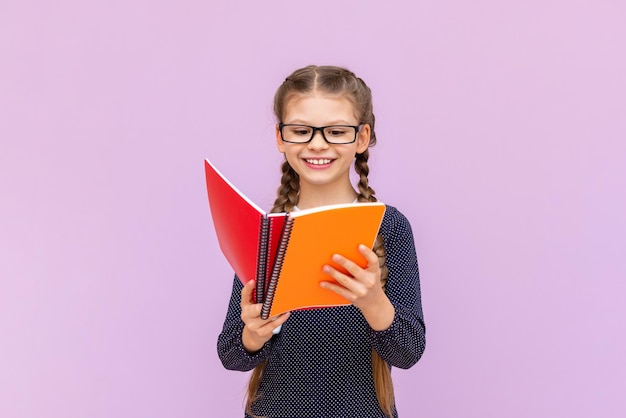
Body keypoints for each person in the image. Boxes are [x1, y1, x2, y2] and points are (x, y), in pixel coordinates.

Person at [217, 65, 426, 418]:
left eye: (336, 131)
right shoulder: (266, 232)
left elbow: (408, 351)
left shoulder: (389, 226)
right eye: (301, 130)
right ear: (280, 137)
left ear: (361, 138)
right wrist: (254, 332)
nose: (317, 144)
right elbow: (231, 353)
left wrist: (373, 301)